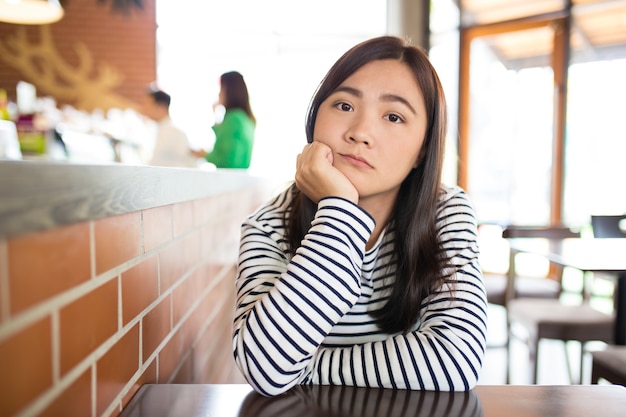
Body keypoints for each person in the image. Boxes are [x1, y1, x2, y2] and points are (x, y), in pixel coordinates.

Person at [231, 36, 487, 397]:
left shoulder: (445, 211)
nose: (360, 133)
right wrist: (338, 210)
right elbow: (265, 368)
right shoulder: (269, 225)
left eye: (394, 116)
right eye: (344, 105)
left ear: (422, 150)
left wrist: (305, 366)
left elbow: (456, 360)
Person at [192, 71, 256, 168]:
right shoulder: (245, 118)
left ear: (229, 91)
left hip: (230, 178)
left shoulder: (233, 119)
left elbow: (226, 160)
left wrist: (204, 154)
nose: (219, 94)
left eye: (221, 89)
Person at [144, 86, 197, 168]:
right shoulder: (160, 129)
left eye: (148, 104)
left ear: (161, 107)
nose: (145, 109)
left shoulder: (175, 132)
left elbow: (189, 162)